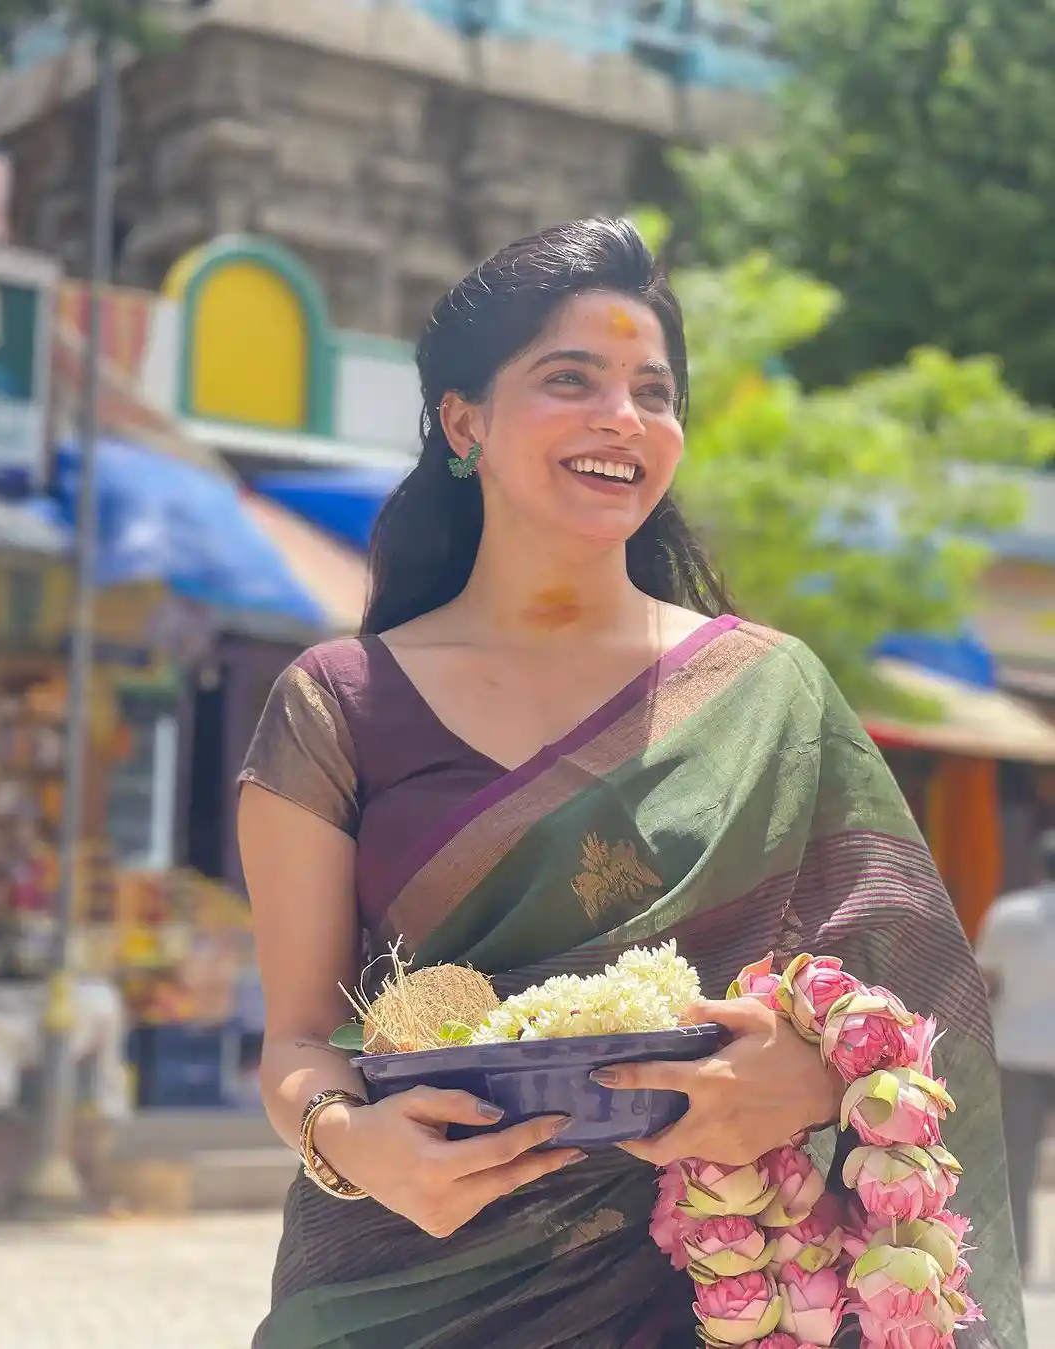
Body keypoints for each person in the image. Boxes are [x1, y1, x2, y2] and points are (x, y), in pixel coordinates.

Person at [238, 218, 1023, 1349]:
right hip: (399, 1286)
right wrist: (350, 1142)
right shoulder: (339, 704)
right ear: (464, 420)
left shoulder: (769, 694)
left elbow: (915, 994)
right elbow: (300, 1039)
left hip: (703, 1286)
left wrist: (810, 1075)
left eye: (655, 392)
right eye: (573, 379)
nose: (624, 418)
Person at [975, 827, 1055, 1281]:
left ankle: (1019, 1259)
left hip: (1019, 1051)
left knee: (1019, 1162)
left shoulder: (1010, 913)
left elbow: (984, 979)